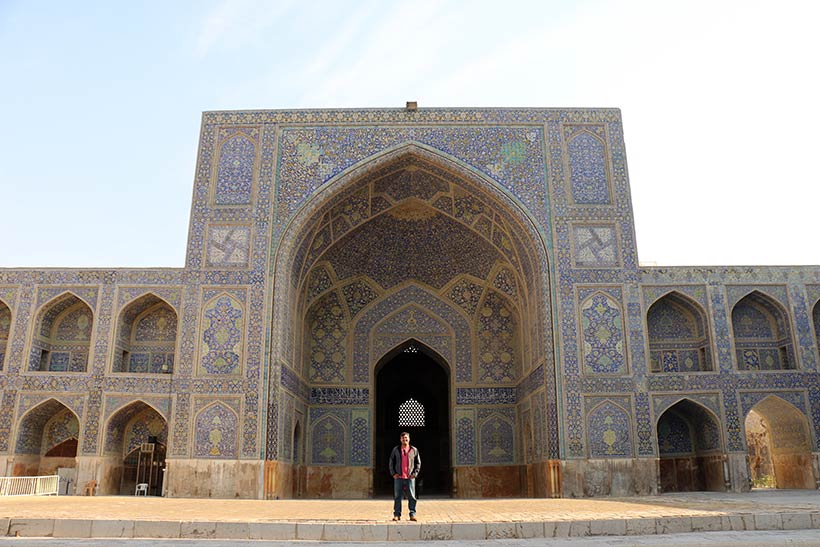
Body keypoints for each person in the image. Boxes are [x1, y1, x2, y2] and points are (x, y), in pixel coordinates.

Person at [388, 431, 420, 521]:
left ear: (409, 439)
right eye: (403, 438)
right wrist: (393, 473)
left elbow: (418, 463)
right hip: (399, 477)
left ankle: (412, 514)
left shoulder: (413, 450)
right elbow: (391, 461)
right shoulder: (396, 450)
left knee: (412, 496)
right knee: (397, 496)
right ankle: (397, 514)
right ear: (400, 439)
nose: (404, 439)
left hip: (410, 477)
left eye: (406, 438)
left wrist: (415, 474)